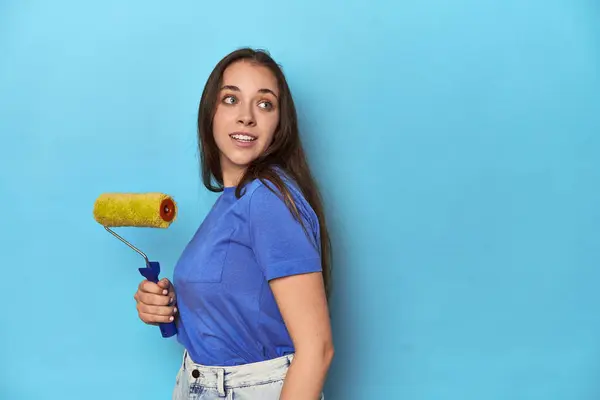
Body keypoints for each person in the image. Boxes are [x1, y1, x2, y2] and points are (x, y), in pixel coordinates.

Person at [133, 47, 334, 399]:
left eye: (264, 103)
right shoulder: (232, 201)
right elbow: (242, 305)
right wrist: (168, 305)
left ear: (280, 124)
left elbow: (317, 350)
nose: (247, 117)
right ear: (210, 112)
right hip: (199, 381)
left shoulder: (267, 198)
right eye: (231, 99)